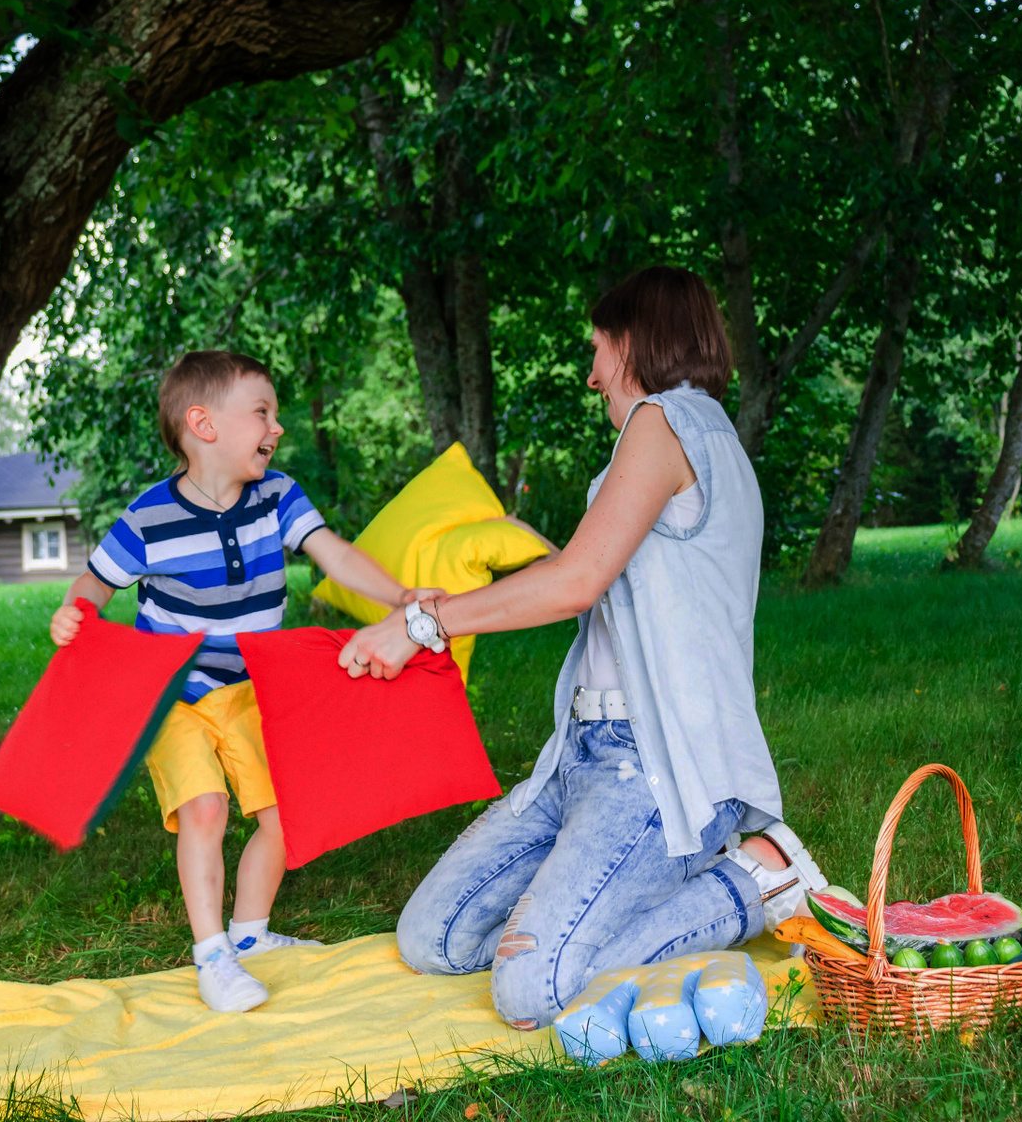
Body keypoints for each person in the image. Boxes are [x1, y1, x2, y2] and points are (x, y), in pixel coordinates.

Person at [336, 267, 828, 1031]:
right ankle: (599, 909)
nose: (592, 375)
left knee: (532, 991)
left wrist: (420, 625)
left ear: (632, 342)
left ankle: (754, 881)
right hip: (580, 757)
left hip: (653, 770)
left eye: (597, 349)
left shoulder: (665, 420)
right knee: (433, 937)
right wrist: (514, 561)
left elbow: (576, 583)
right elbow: (606, 578)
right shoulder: (698, 435)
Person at [50, 351, 431, 1013]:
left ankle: (249, 936)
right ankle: (212, 957)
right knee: (206, 808)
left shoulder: (277, 497)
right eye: (262, 412)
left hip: (253, 687)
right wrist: (76, 609)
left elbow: (334, 554)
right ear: (204, 425)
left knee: (284, 816)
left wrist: (402, 598)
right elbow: (96, 580)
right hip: (174, 693)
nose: (276, 427)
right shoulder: (148, 519)